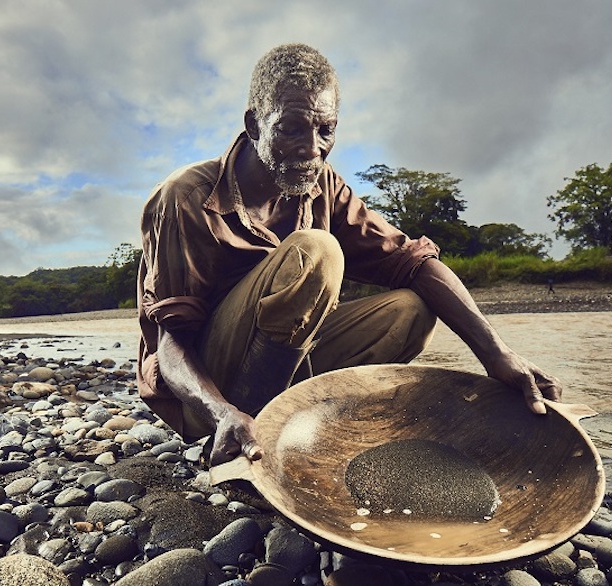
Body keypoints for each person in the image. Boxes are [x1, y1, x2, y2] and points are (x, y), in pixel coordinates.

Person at [137, 43, 562, 467]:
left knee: (413, 309)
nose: (312, 149)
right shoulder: (187, 197)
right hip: (204, 391)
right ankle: (251, 437)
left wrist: (496, 354)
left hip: (284, 368)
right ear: (254, 125)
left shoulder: (325, 186)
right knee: (317, 250)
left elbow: (413, 262)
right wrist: (220, 412)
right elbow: (169, 346)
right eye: (291, 129)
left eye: (326, 130)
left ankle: (301, 415)